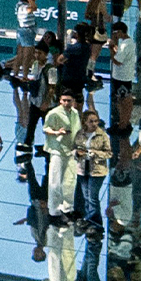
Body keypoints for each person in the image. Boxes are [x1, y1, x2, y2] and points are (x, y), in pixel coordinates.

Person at [43, 89, 82, 222]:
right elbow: (45, 128)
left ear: (73, 101)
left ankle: (67, 208)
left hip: (71, 150)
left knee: (70, 180)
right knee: (55, 182)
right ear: (60, 100)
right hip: (57, 150)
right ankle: (54, 211)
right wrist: (56, 133)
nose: (66, 103)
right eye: (64, 100)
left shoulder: (75, 113)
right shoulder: (54, 113)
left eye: (68, 101)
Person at [75, 109, 111, 230]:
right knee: (86, 196)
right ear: (85, 122)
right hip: (82, 168)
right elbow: (73, 150)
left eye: (96, 121)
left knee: (93, 196)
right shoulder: (80, 134)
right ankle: (89, 219)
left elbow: (108, 154)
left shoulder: (102, 135)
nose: (94, 123)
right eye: (91, 121)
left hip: (97, 170)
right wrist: (78, 153)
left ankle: (96, 221)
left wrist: (94, 153)